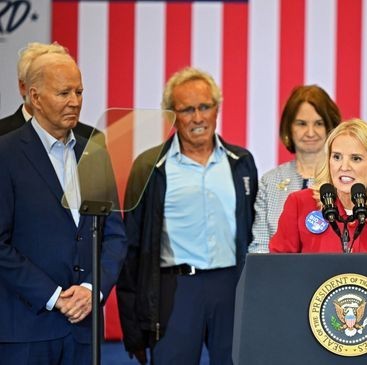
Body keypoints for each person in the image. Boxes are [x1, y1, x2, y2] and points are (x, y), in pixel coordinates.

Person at [117, 67, 258, 365]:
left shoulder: (242, 163)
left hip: (232, 286)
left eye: (204, 107)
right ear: (172, 115)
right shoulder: (149, 167)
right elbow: (130, 251)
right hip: (176, 291)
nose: (197, 118)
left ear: (216, 109)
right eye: (187, 109)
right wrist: (133, 328)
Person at [0, 52, 127, 363]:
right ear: (35, 97)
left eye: (79, 91)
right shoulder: (6, 152)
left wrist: (91, 289)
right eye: (63, 92)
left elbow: (114, 235)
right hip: (25, 331)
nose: (75, 101)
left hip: (84, 329)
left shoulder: (94, 150)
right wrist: (54, 297)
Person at [270, 119, 367, 253]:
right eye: (337, 157)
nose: (344, 166)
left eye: (356, 158)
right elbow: (277, 268)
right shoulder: (300, 205)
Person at [248, 85, 341, 253]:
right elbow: (260, 246)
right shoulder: (270, 181)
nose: (310, 132)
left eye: (319, 123)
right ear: (289, 128)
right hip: (280, 275)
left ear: (331, 128)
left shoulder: (344, 179)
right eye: (301, 124)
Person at [0, 42, 97, 139]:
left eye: (79, 92)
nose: (75, 103)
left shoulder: (92, 139)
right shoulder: (3, 137)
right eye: (64, 93)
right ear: (24, 88)